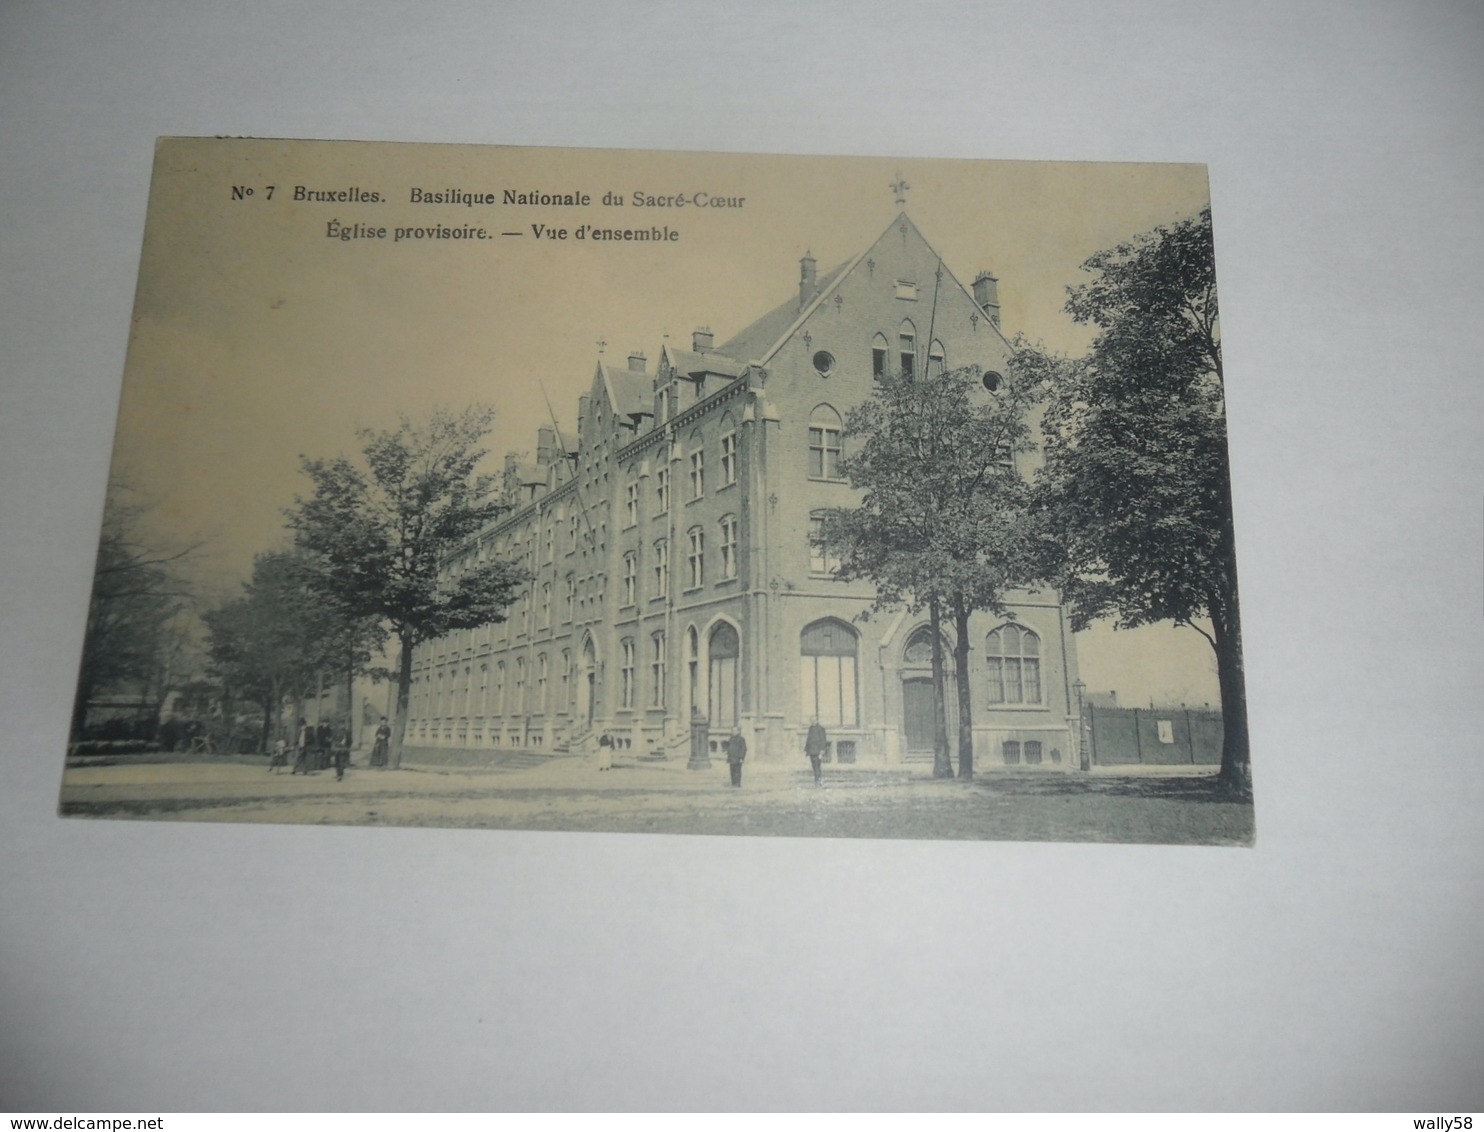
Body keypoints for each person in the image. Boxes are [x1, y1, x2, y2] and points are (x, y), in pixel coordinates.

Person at [805, 718, 827, 786]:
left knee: (817, 766)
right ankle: (818, 780)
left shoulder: (821, 729)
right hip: (811, 751)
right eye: (811, 721)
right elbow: (808, 739)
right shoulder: (810, 728)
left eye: (814, 720)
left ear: (817, 721)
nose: (812, 722)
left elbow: (823, 740)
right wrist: (807, 749)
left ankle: (818, 781)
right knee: (814, 767)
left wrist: (822, 751)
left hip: (818, 751)